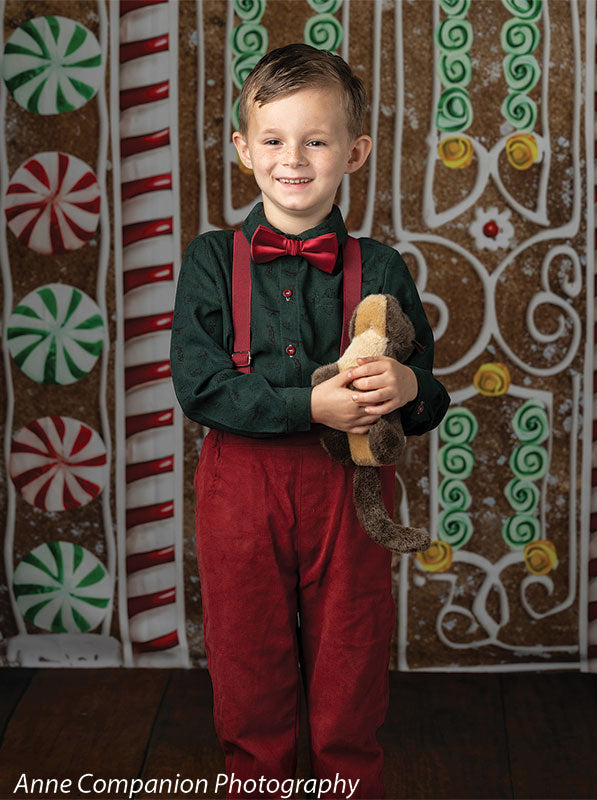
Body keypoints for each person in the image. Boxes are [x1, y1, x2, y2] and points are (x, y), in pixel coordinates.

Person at [170, 43, 450, 800]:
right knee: (249, 667)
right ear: (242, 149)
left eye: (316, 140)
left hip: (350, 493)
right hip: (241, 489)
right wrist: (307, 406)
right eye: (272, 140)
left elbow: (429, 397)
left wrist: (404, 383)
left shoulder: (382, 266)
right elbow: (198, 386)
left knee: (349, 668)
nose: (293, 159)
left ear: (354, 152)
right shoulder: (209, 261)